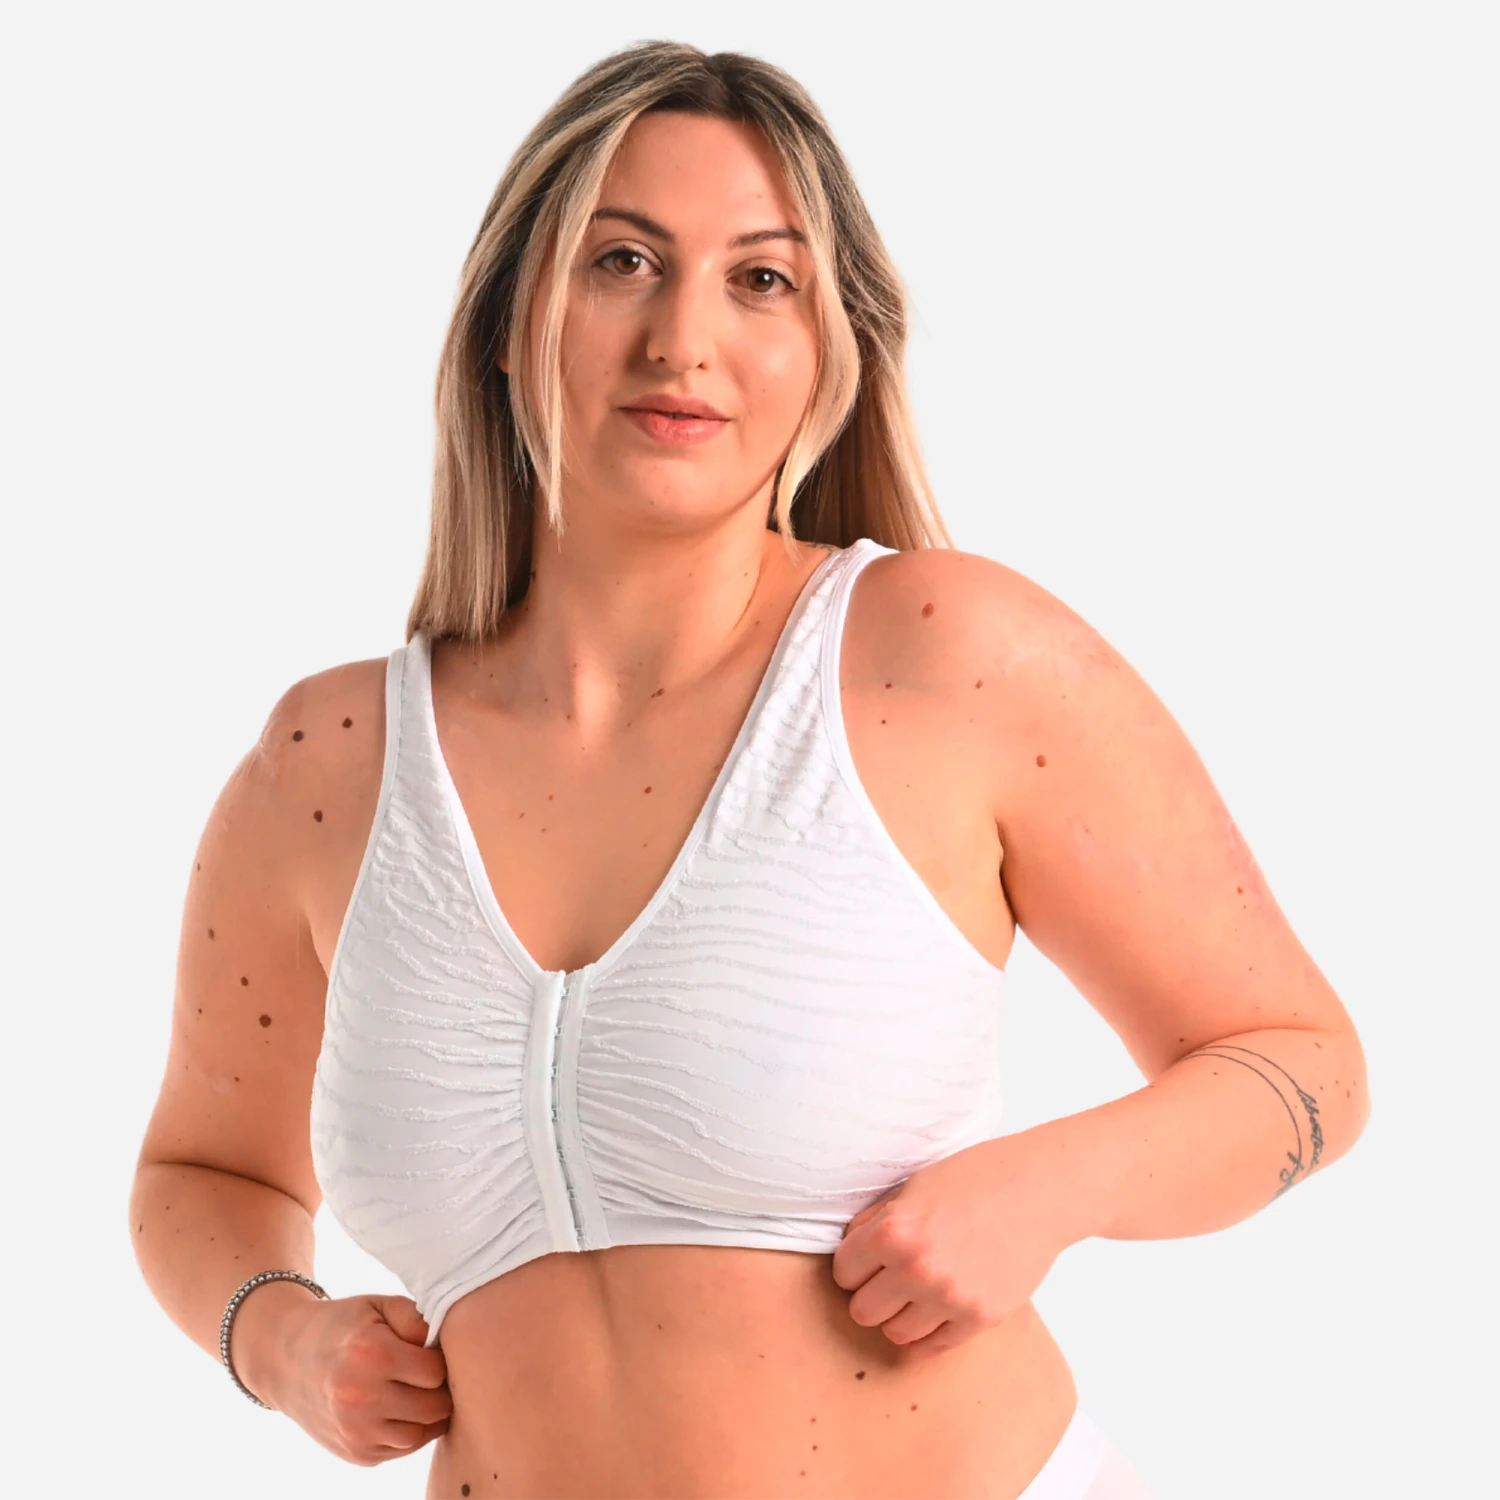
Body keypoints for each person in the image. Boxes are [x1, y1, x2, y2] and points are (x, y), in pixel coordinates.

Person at [129, 41, 1370, 1500]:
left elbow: (1303, 1062)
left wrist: (1049, 1189)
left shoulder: (946, 658)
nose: (683, 339)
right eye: (621, 262)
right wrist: (280, 1340)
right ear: (513, 319)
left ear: (829, 354)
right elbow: (203, 1174)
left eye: (761, 279)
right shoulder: (327, 768)